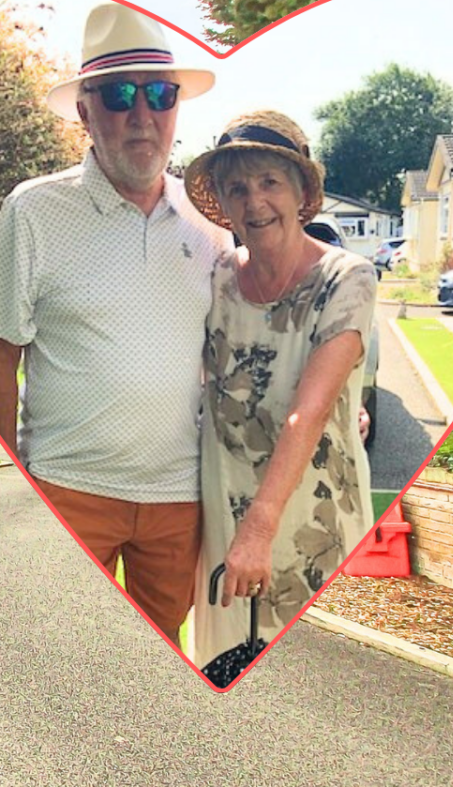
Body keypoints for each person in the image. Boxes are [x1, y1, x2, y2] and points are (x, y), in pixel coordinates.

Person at [0, 2, 229, 638]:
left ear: (176, 108)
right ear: (86, 112)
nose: (142, 115)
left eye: (160, 94)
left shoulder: (211, 229)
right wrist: (10, 490)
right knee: (57, 667)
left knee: (160, 667)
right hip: (67, 492)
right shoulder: (33, 211)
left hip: (179, 497)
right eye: (119, 95)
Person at [181, 110, 377, 665]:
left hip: (309, 515)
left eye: (270, 183)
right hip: (227, 511)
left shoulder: (348, 278)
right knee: (226, 670)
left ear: (299, 194)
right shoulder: (216, 278)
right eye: (237, 188)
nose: (254, 202)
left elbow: (308, 414)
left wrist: (258, 531)